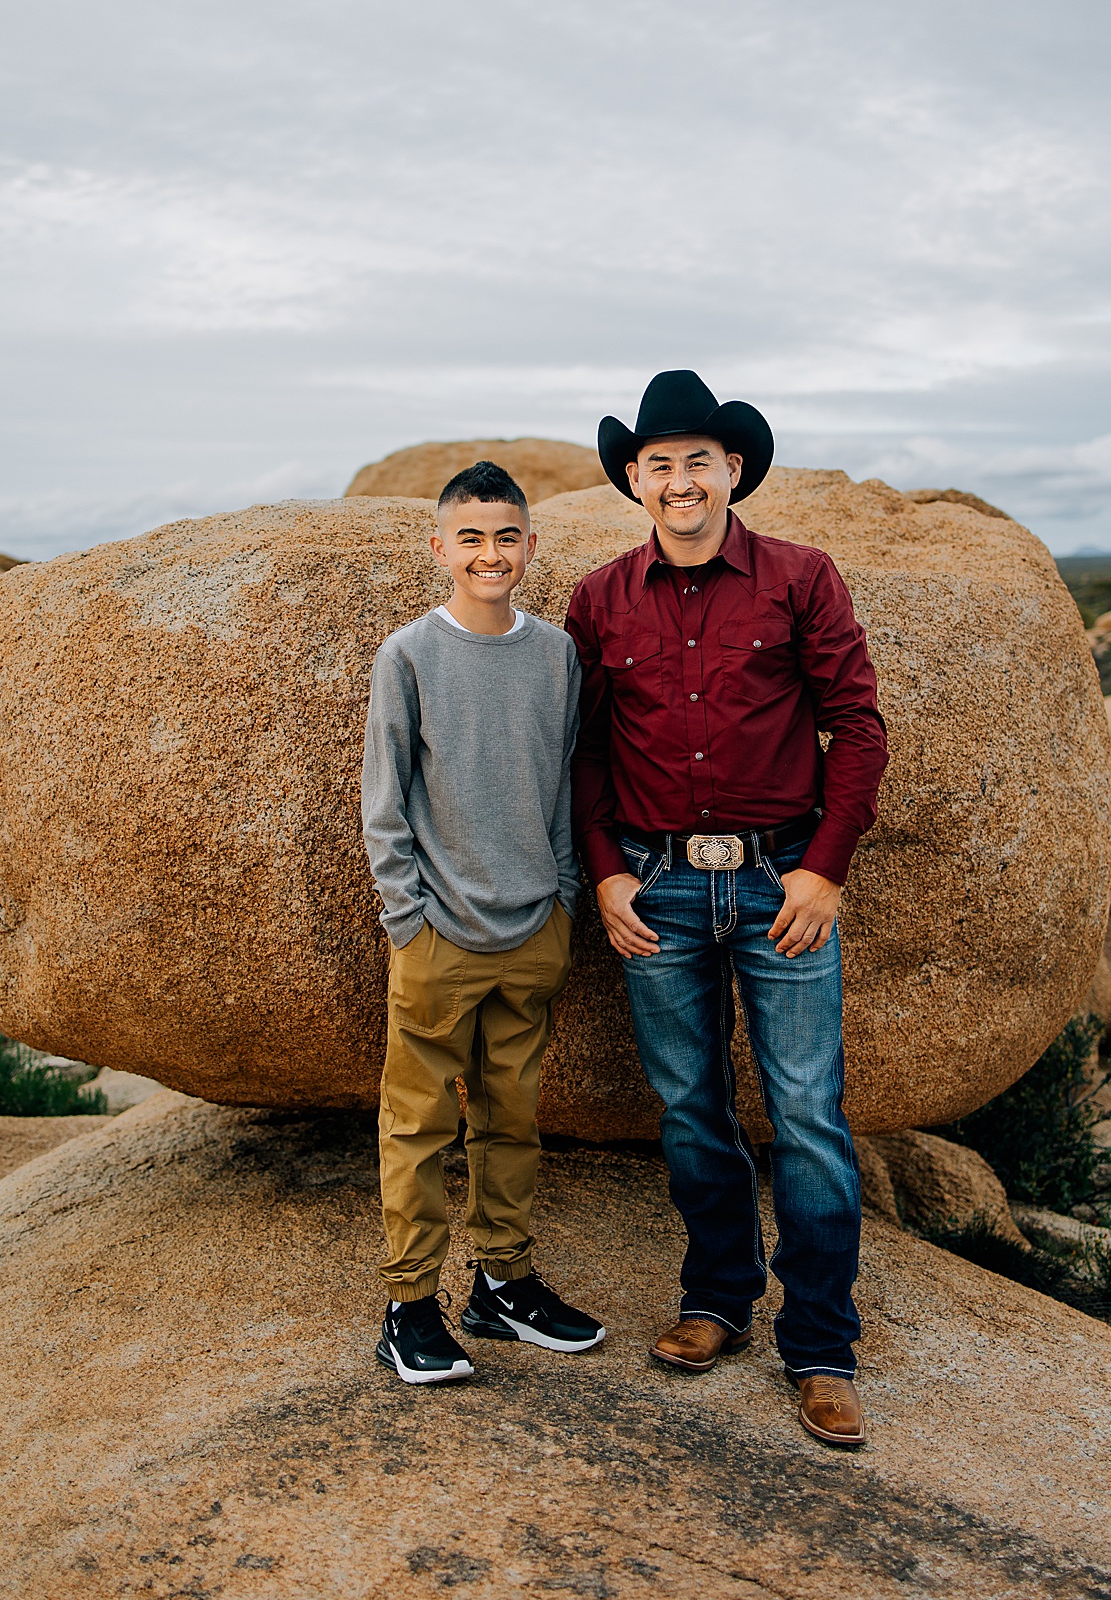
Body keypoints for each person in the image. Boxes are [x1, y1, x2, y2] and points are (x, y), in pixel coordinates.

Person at [564, 371, 888, 1447]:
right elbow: (588, 750)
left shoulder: (799, 578)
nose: (679, 479)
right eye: (658, 463)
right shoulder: (599, 599)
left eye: (698, 459)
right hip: (655, 886)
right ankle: (716, 1301)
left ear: (733, 470)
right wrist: (607, 870)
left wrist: (825, 869)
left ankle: (822, 1346)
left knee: (805, 1117)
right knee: (692, 1111)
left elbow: (858, 726)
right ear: (635, 482)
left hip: (780, 882)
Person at [362, 459, 604, 1384]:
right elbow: (385, 804)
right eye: (471, 538)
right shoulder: (409, 656)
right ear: (441, 548)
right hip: (438, 941)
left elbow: (563, 786)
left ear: (530, 546)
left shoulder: (555, 655)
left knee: (513, 1120)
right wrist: (407, 920)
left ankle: (502, 1284)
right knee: (419, 1126)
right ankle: (409, 1306)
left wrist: (565, 898)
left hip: (535, 927)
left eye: (507, 536)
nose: (490, 553)